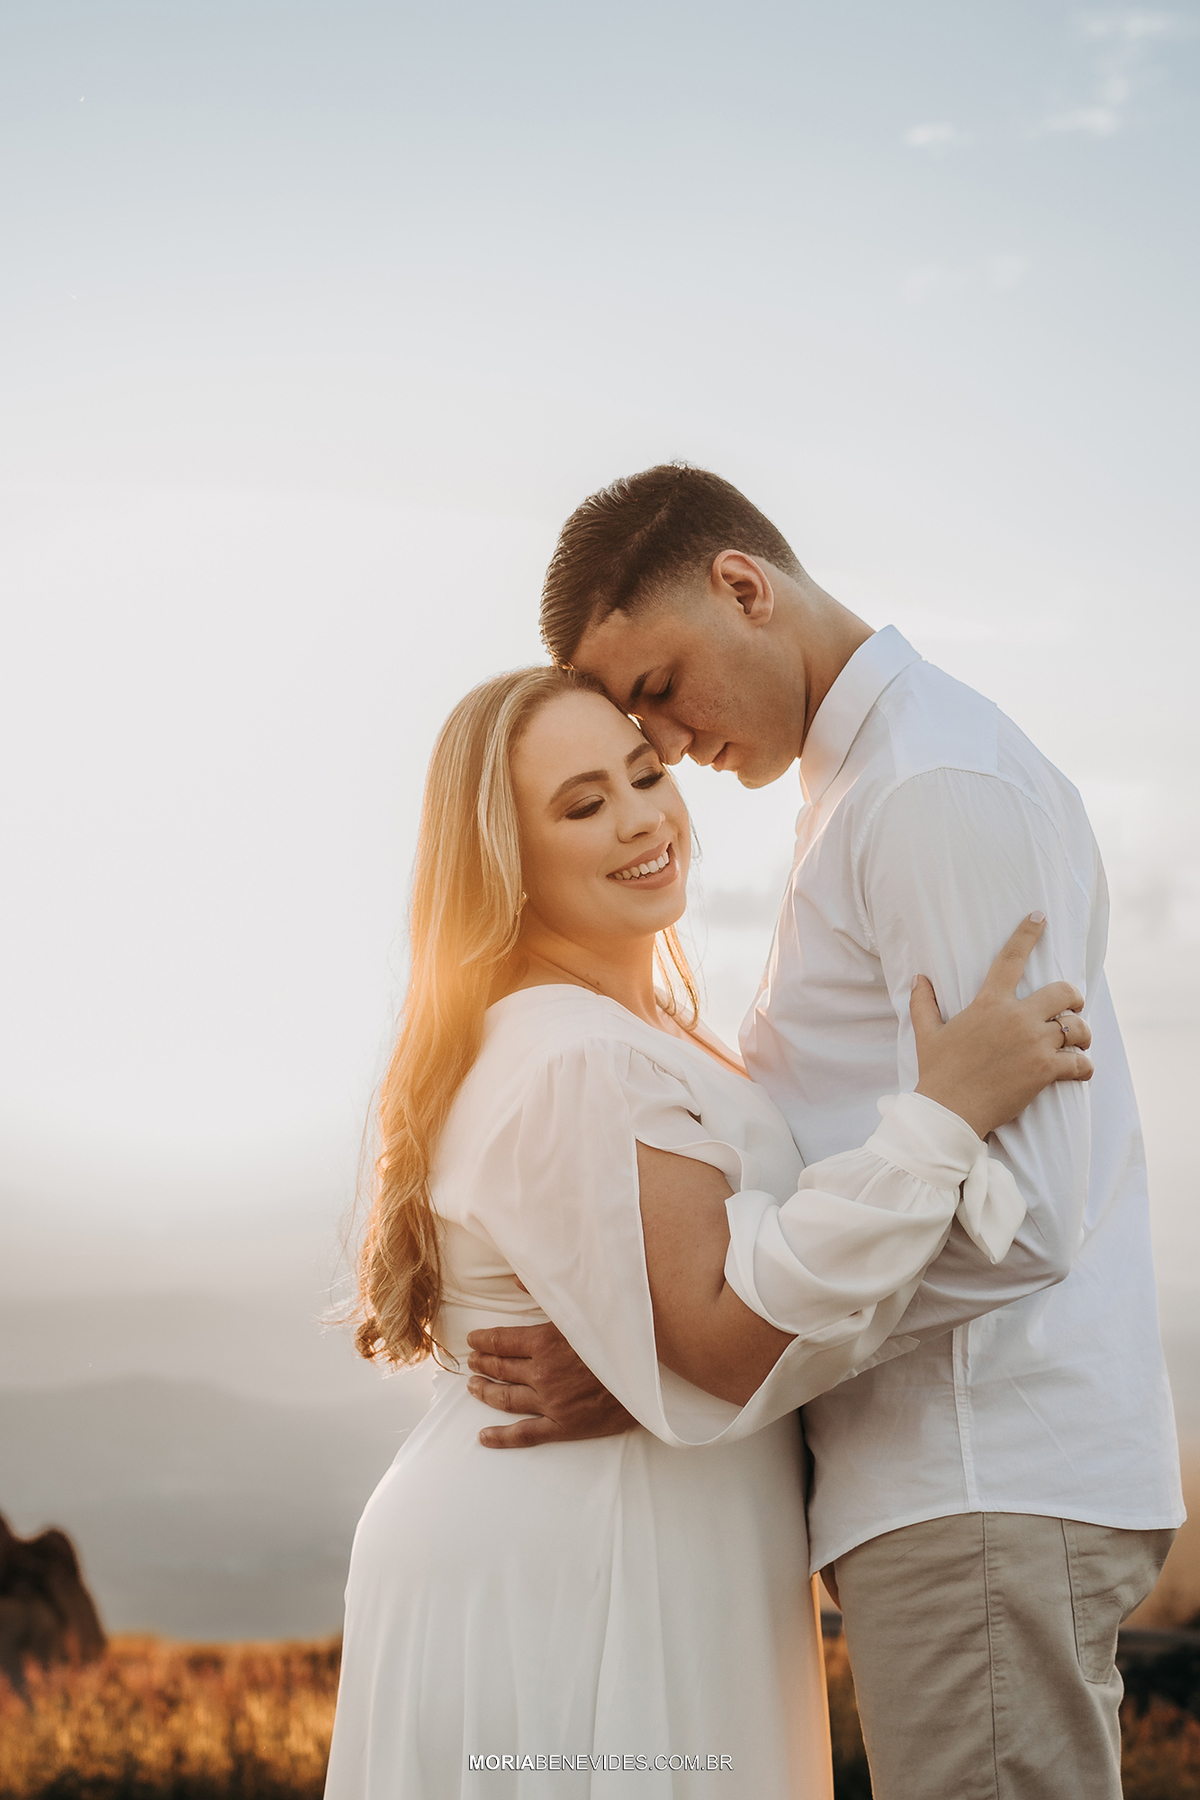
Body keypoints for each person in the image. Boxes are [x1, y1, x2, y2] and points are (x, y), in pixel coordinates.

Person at [469, 465, 1184, 1800]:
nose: (663, 740)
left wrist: (704, 1361)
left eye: (660, 686)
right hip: (945, 1483)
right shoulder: (857, 793)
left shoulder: (928, 789)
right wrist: (694, 1349)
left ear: (744, 586)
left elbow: (1024, 1217)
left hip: (977, 1473)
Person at [324, 665, 1093, 1800]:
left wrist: (642, 1365)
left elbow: (691, 1316)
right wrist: (942, 1119)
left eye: (644, 775)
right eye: (582, 805)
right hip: (585, 1560)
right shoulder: (579, 1054)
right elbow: (724, 1336)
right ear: (506, 860)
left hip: (636, 1534)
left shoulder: (643, 1034)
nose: (640, 818)